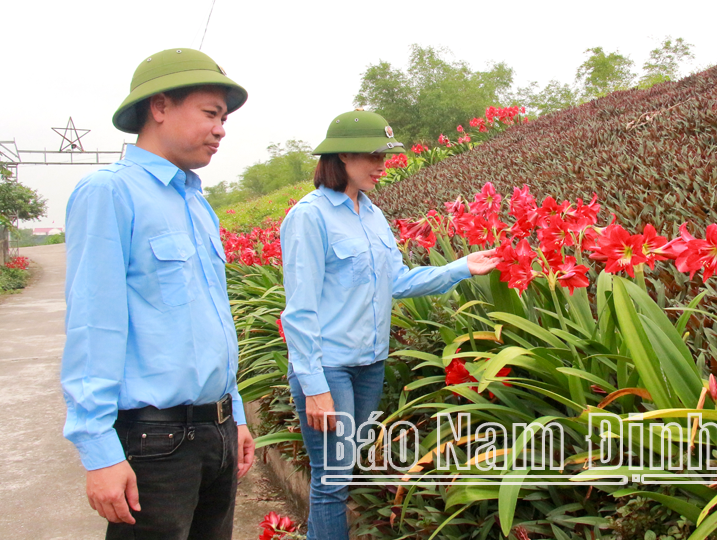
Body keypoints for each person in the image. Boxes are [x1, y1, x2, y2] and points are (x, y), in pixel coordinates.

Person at [61, 48, 255, 540]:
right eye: (211, 113)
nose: (221, 129)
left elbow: (212, 323)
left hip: (215, 435)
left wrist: (233, 415)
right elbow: (93, 325)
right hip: (155, 442)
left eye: (224, 118)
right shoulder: (110, 193)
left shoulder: (196, 203)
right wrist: (99, 451)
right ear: (161, 106)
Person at [280, 110, 500, 540]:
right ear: (342, 155)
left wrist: (459, 267)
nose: (382, 165)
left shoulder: (372, 214)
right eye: (373, 155)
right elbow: (299, 310)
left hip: (369, 365)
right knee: (332, 481)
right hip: (329, 368)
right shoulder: (310, 216)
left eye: (385, 155)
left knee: (343, 468)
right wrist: (314, 385)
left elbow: (396, 280)